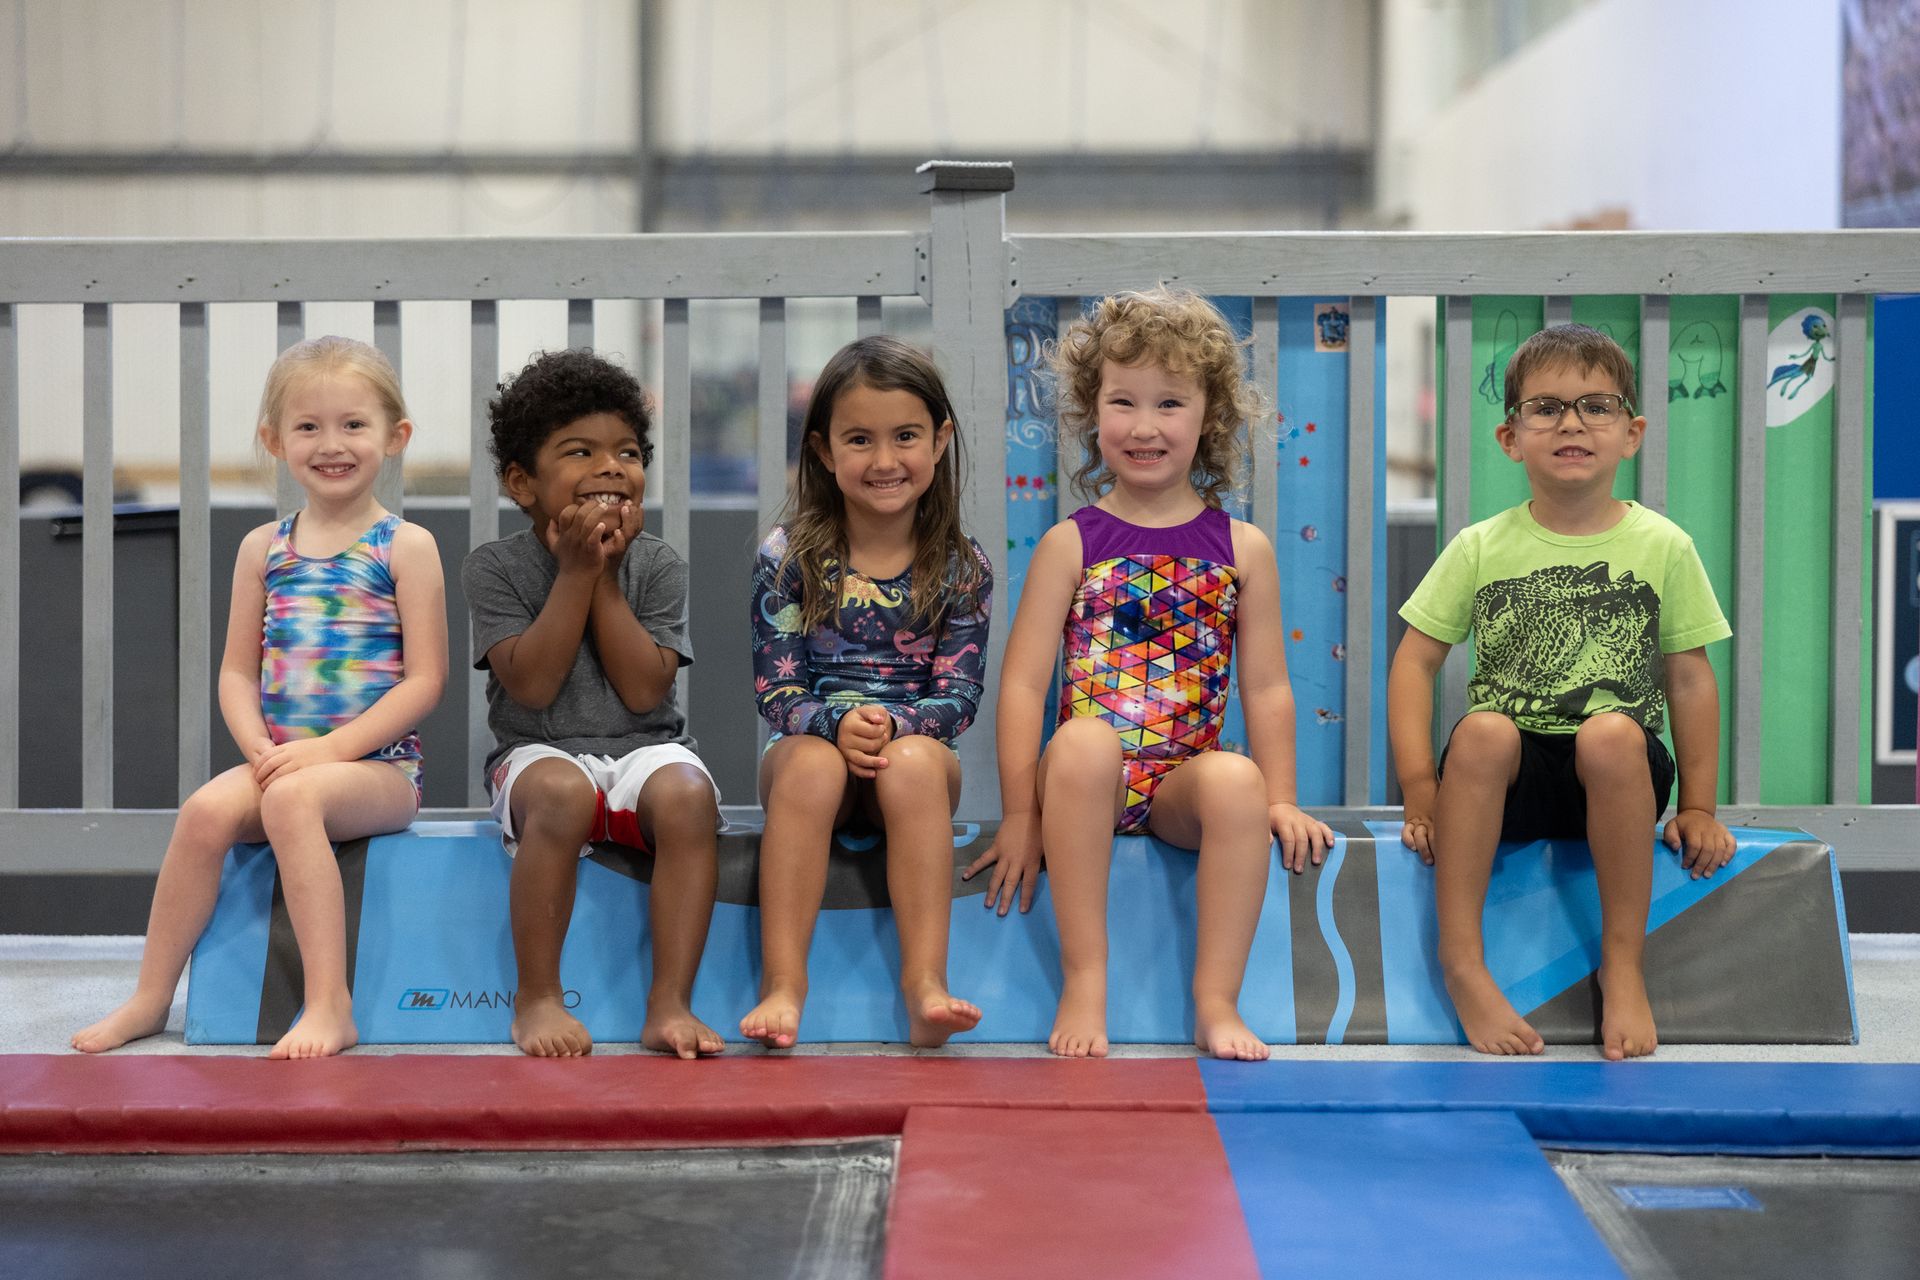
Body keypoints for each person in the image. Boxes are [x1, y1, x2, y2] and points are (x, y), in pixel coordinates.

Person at [968, 288, 1332, 1060]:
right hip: (1081, 781)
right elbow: (1025, 685)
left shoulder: (1243, 548)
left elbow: (1267, 688)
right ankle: (1086, 978)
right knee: (1085, 743)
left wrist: (1284, 797)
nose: (1143, 426)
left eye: (1169, 403)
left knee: (1234, 780)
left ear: (1211, 418)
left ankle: (1215, 1001)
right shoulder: (1073, 543)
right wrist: (1019, 815)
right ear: (1091, 414)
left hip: (1177, 785)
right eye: (1122, 402)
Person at [73, 336, 446, 1058]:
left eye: (353, 424)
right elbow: (238, 673)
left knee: (290, 800)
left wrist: (329, 751)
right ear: (274, 441)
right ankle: (152, 996)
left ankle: (329, 1003)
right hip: (281, 759)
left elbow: (425, 680)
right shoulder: (263, 549)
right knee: (205, 810)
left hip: (378, 771)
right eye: (308, 426)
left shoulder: (404, 546)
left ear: (395, 437)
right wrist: (256, 745)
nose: (330, 443)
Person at [1388, 323, 1736, 1061]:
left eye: (1596, 407)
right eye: (1545, 408)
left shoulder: (1663, 545)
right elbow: (1415, 663)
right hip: (1506, 778)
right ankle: (1463, 963)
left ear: (1631, 433)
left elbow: (1688, 676)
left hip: (1617, 775)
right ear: (1510, 437)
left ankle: (1623, 965)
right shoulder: (1481, 545)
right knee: (1483, 728)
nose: (1571, 423)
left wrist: (1700, 806)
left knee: (1609, 731)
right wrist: (1422, 786)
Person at [465, 349, 722, 1059]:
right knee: (560, 792)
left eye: (628, 452)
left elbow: (646, 691)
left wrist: (603, 577)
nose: (612, 466)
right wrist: (575, 572)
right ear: (524, 482)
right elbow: (532, 685)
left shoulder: (659, 564)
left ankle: (670, 1001)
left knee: (689, 795)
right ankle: (537, 995)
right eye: (581, 451)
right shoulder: (496, 567)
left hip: (644, 748)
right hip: (537, 754)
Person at [739, 336, 993, 1050]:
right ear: (823, 451)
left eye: (905, 436)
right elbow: (776, 684)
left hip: (909, 755)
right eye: (860, 439)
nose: (885, 461)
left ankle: (925, 988)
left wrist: (893, 724)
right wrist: (832, 724)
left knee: (915, 764)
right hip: (810, 751)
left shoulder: (960, 567)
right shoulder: (788, 555)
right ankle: (784, 985)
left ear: (940, 440)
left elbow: (959, 695)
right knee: (812, 764)